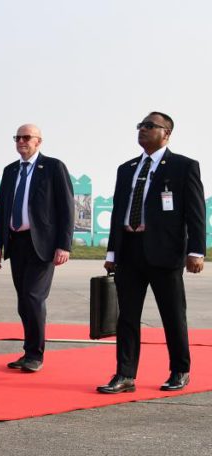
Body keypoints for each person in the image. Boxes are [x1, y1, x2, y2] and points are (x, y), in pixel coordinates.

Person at [97, 112, 206, 394]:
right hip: (129, 251)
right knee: (127, 317)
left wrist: (196, 250)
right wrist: (112, 253)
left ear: (166, 133)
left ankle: (180, 370)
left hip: (165, 253)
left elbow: (196, 213)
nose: (142, 129)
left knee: (173, 315)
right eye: (140, 126)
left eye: (149, 126)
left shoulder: (184, 166)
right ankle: (125, 374)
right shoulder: (127, 169)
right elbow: (118, 213)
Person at [0, 124, 74, 373]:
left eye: (26, 137)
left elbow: (67, 208)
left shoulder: (53, 167)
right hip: (16, 243)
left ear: (39, 141)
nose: (21, 141)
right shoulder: (10, 170)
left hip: (43, 244)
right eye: (17, 137)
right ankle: (28, 351)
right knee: (23, 301)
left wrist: (64, 245)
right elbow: (3, 209)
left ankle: (35, 355)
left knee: (33, 297)